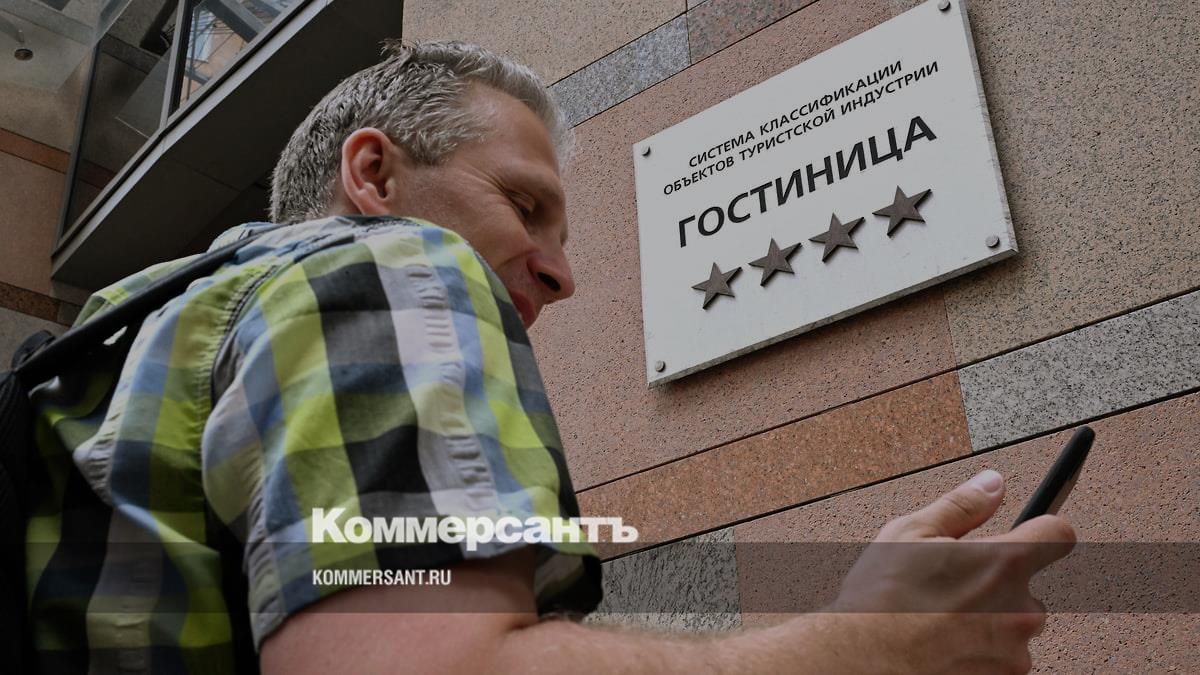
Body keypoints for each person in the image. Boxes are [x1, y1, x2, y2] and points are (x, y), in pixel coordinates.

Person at [27, 40, 1075, 674]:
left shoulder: (126, 335)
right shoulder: (395, 264)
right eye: (525, 206)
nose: (562, 274)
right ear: (374, 177)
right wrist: (867, 648)